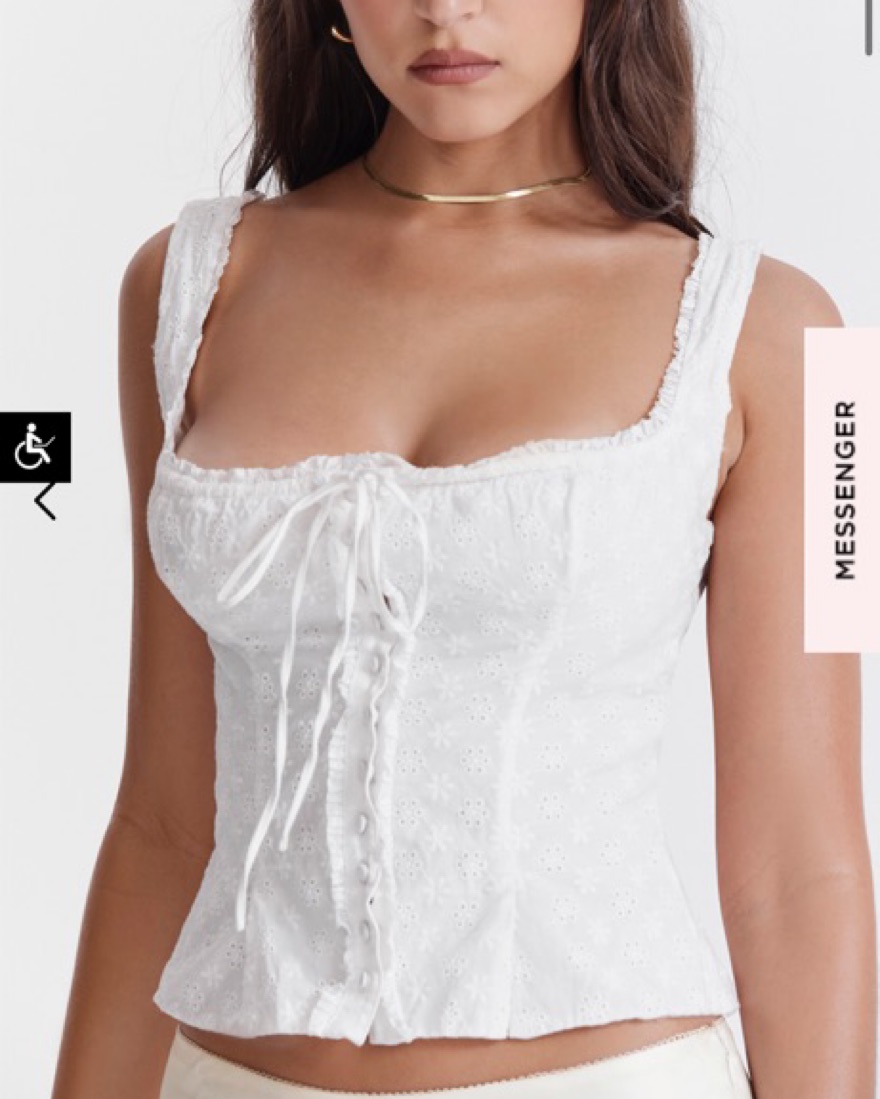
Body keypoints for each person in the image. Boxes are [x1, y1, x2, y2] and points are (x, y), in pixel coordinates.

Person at [52, 1, 876, 1097]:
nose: (447, 9)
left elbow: (804, 865)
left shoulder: (810, 350)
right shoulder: (181, 287)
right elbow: (161, 820)